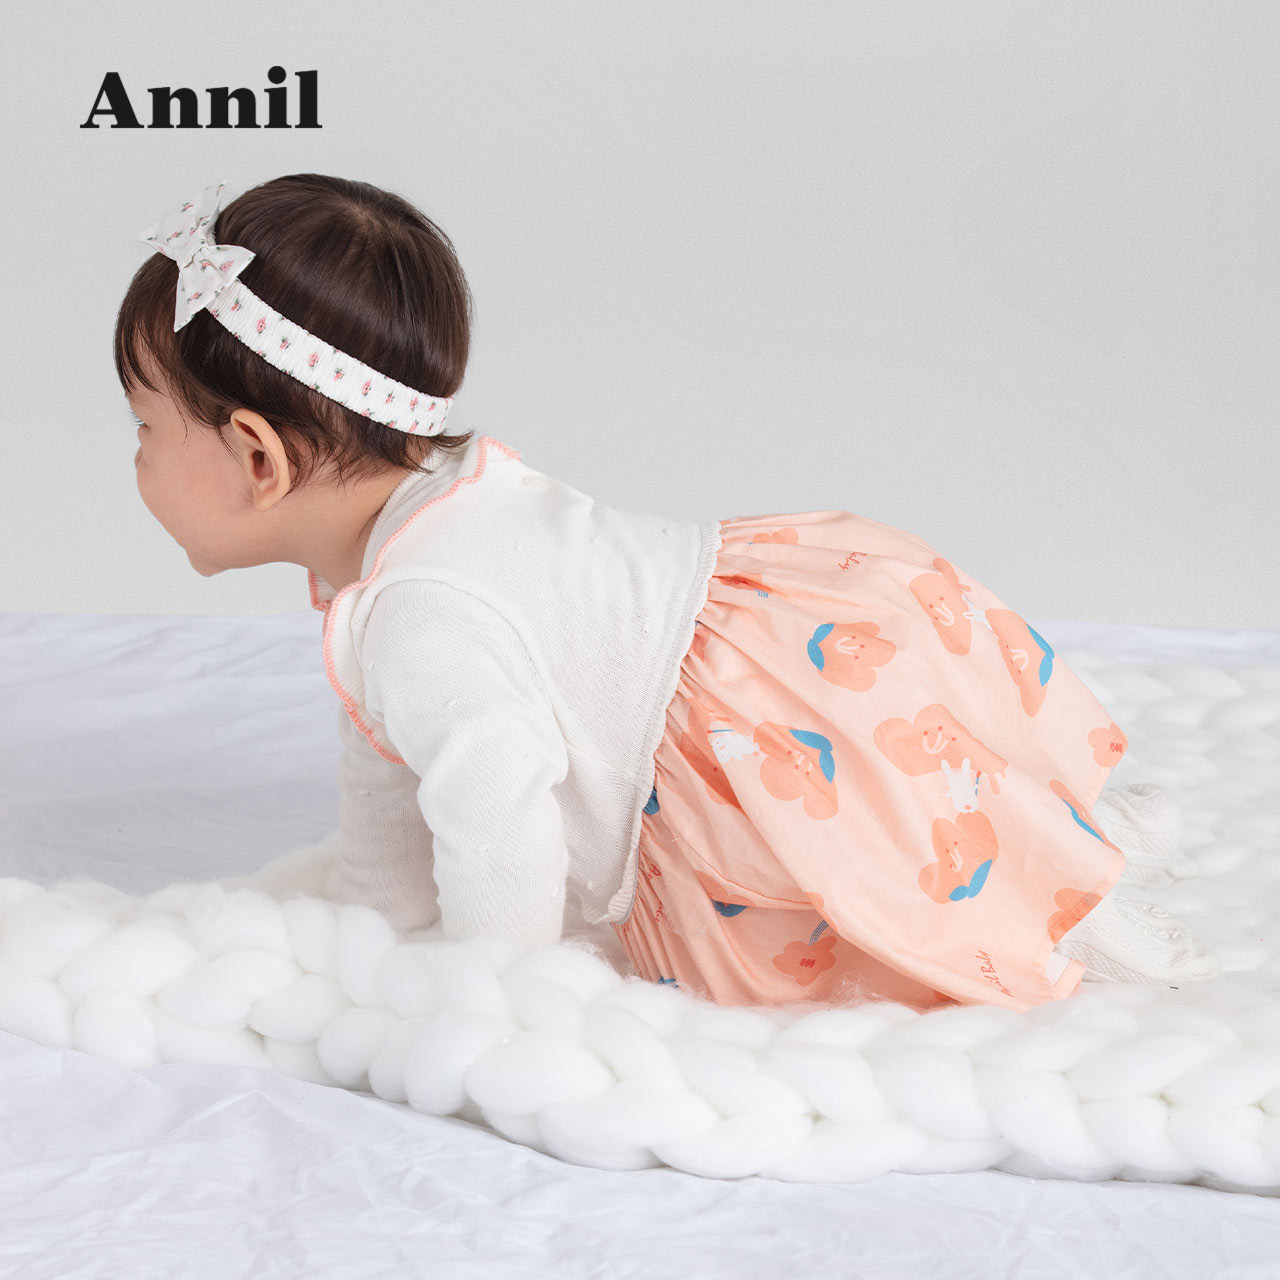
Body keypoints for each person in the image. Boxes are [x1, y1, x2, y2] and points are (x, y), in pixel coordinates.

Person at [117, 174, 1220, 1015]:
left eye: (147, 426)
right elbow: (390, 770)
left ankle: (1050, 887)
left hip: (765, 728)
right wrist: (369, 921)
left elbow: (495, 813)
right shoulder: (433, 519)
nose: (135, 458)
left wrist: (490, 990)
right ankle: (1046, 838)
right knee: (921, 792)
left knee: (879, 872)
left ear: (258, 456)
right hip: (791, 626)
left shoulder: (426, 609)